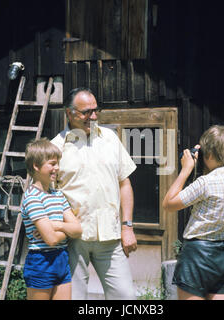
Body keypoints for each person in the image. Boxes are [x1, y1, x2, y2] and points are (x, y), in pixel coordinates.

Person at [51, 87, 137, 300]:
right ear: (69, 113)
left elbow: (124, 183)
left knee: (125, 297)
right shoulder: (56, 147)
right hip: (74, 239)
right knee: (74, 299)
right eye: (86, 112)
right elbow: (49, 196)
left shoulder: (110, 138)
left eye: (96, 110)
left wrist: (127, 227)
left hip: (110, 235)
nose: (94, 116)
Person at [163, 125, 224, 300]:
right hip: (223, 254)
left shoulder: (206, 183)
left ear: (208, 154)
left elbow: (168, 204)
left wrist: (186, 170)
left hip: (196, 256)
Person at [21, 138, 82, 300]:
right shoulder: (32, 198)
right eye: (52, 164)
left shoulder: (58, 194)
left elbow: (78, 230)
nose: (57, 168)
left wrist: (55, 225)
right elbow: (51, 239)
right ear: (36, 166)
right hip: (41, 262)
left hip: (61, 258)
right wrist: (65, 228)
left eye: (58, 164)